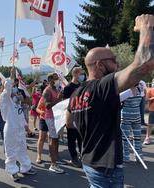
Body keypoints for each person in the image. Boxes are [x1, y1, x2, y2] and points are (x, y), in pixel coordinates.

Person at [66, 14, 154, 187]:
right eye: (113, 61)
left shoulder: (76, 93)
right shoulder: (102, 87)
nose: (117, 65)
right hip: (105, 167)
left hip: (89, 161)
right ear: (99, 65)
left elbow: (69, 123)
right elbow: (145, 63)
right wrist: (146, 27)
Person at [0, 67, 36, 181]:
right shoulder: (4, 98)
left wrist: (25, 126)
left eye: (15, 86)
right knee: (11, 150)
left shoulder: (15, 100)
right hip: (10, 128)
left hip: (19, 128)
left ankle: (25, 167)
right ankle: (12, 170)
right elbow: (8, 89)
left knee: (22, 148)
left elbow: (19, 114)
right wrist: (11, 77)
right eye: (12, 86)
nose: (15, 88)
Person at [62, 67, 84, 168]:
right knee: (71, 138)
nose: (83, 76)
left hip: (82, 117)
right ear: (75, 74)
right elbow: (66, 104)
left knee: (81, 138)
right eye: (81, 74)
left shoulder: (82, 85)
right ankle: (74, 158)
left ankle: (82, 155)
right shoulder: (68, 88)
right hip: (72, 117)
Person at [42, 73, 64, 173]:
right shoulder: (47, 90)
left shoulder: (56, 89)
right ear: (50, 79)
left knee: (56, 139)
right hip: (50, 117)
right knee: (52, 139)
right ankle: (53, 164)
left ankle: (56, 159)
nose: (57, 80)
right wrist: (59, 99)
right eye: (56, 79)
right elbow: (47, 105)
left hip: (57, 117)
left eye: (58, 78)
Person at [120, 85, 143, 162]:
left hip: (126, 116)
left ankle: (126, 156)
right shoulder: (140, 88)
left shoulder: (125, 89)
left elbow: (119, 100)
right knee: (137, 137)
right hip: (136, 115)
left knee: (125, 138)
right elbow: (142, 101)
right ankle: (138, 156)